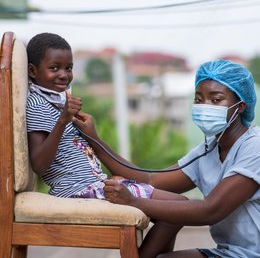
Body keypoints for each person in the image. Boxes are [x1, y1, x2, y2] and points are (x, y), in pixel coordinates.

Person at [73, 59, 260, 258]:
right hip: (229, 253)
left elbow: (211, 210)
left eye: (216, 100)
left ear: (240, 106)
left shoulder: (254, 148)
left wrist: (133, 202)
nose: (205, 106)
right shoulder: (209, 150)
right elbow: (152, 180)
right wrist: (95, 140)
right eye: (198, 99)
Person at [26, 32, 187, 203]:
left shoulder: (58, 102)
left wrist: (87, 132)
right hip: (77, 190)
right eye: (54, 68)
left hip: (94, 184)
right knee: (179, 203)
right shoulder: (38, 104)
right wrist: (62, 121)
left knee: (178, 204)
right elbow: (39, 165)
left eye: (69, 68)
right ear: (32, 71)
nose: (64, 75)